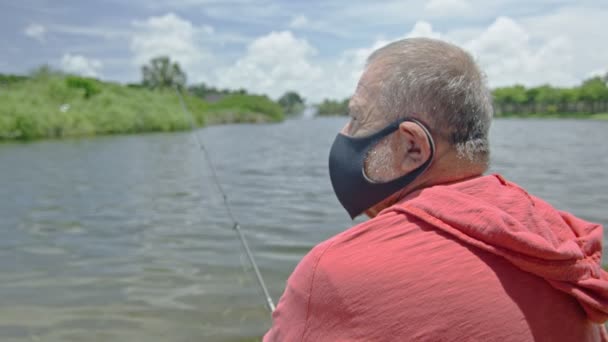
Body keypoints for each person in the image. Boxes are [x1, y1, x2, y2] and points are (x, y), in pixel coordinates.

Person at [263, 38, 608, 341]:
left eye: (357, 117)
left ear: (413, 147)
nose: (345, 132)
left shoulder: (333, 273)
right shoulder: (559, 242)